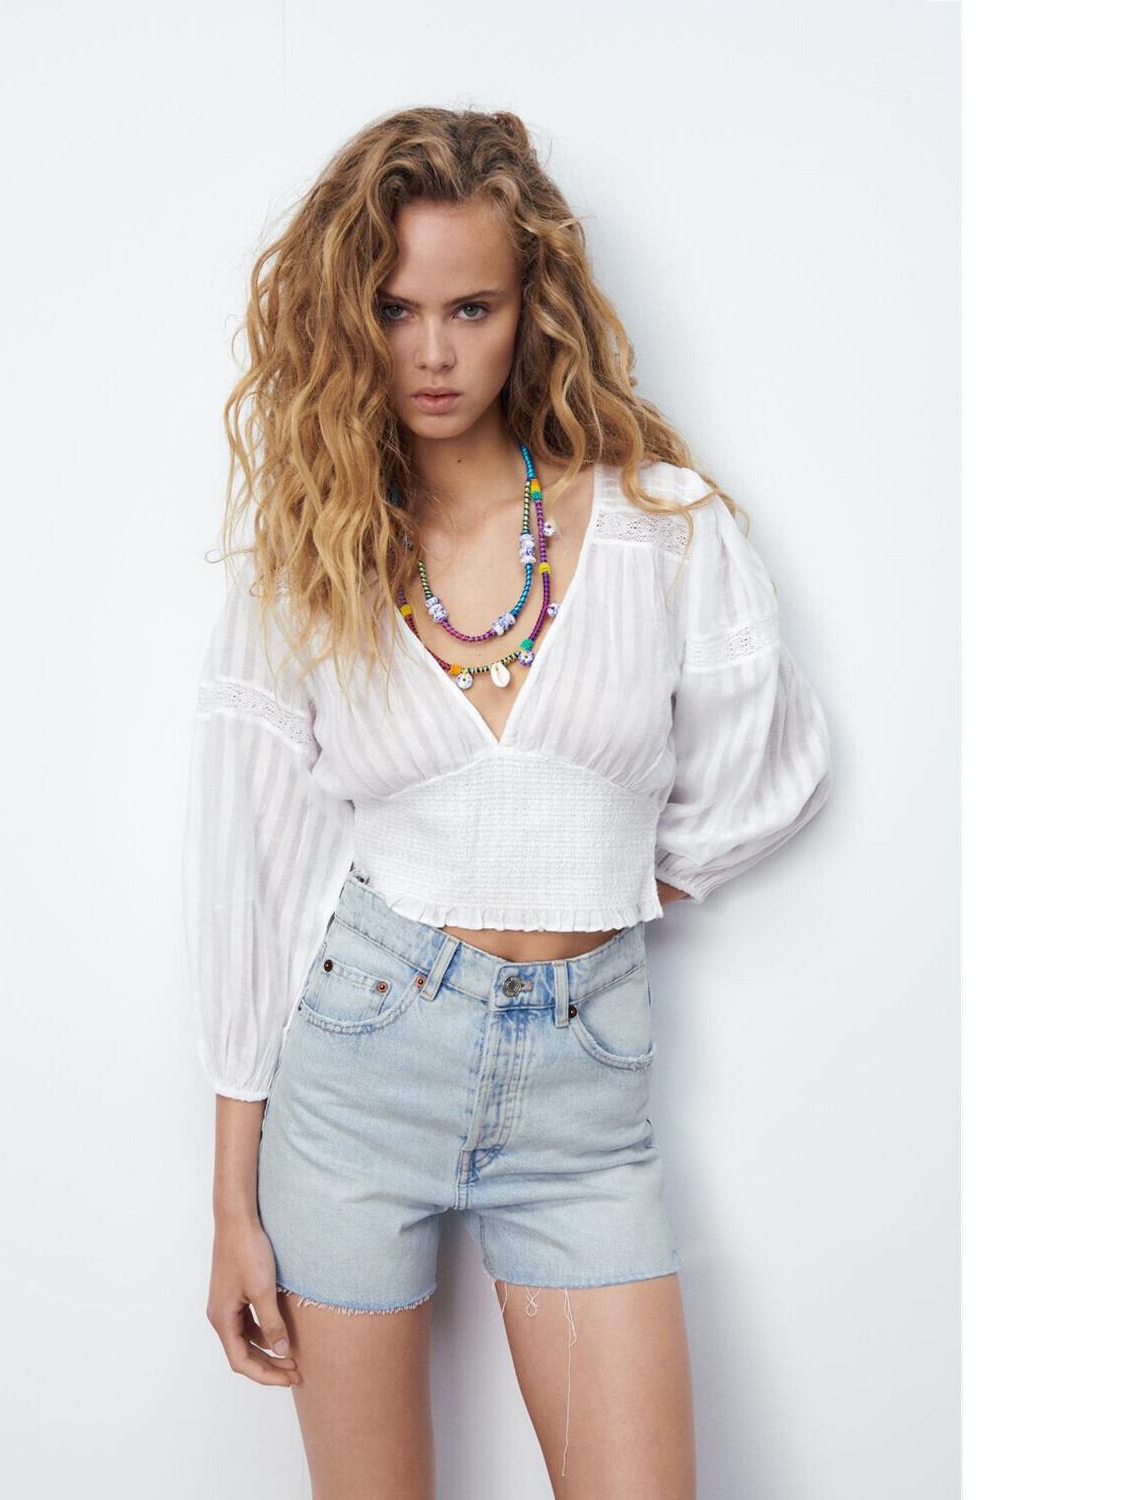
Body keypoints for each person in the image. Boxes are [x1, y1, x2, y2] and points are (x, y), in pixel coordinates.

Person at [182, 106, 832, 1499]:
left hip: (585, 1093)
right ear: (350, 319)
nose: (432, 352)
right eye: (396, 309)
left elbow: (768, 773)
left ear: (530, 310)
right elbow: (248, 870)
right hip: (359, 1073)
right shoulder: (310, 559)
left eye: (469, 308)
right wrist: (231, 1203)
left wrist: (604, 888)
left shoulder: (661, 526)